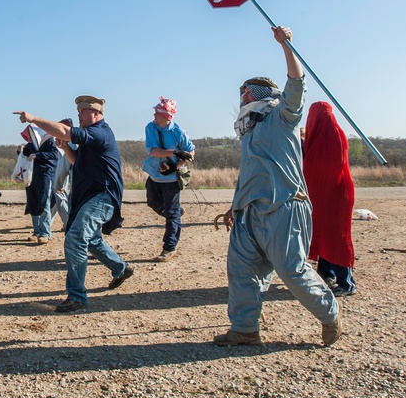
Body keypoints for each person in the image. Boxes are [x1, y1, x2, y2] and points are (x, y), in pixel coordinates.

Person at [215, 26, 341, 347]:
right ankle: (245, 329)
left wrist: (286, 46)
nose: (243, 96)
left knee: (291, 270)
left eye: (249, 91)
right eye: (241, 92)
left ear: (263, 95)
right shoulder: (247, 134)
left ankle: (329, 315)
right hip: (249, 213)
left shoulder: (282, 118)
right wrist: (234, 206)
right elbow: (248, 174)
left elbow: (296, 86)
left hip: (285, 208)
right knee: (240, 270)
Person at [14, 96, 134, 313]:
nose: (79, 115)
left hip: (102, 196)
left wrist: (33, 119)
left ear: (96, 114)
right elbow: (76, 161)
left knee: (76, 237)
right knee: (92, 239)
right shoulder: (91, 137)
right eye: (78, 111)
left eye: (83, 112)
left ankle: (77, 296)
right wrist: (66, 148)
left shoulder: (100, 132)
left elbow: (65, 131)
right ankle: (121, 268)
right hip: (88, 197)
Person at [304, 101, 357, 297]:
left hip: (335, 194)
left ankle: (346, 282)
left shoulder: (334, 134)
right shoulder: (315, 137)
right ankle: (326, 274)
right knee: (322, 233)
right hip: (320, 194)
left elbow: (332, 167)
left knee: (336, 236)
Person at [142, 97, 196, 262]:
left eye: (157, 113)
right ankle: (177, 214)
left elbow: (191, 153)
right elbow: (153, 152)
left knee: (171, 214)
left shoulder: (179, 132)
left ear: (166, 116)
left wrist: (177, 166)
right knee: (153, 203)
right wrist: (174, 152)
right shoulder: (150, 127)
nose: (154, 116)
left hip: (171, 180)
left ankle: (169, 247)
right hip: (155, 176)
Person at [22, 130, 60, 244]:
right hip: (31, 176)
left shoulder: (49, 141)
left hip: (45, 175)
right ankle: (36, 232)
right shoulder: (29, 145)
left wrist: (38, 155)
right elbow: (24, 158)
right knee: (33, 202)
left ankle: (45, 233)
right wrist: (20, 151)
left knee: (44, 202)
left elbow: (54, 155)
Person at [51, 119, 75, 230]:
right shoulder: (84, 139)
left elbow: (63, 168)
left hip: (65, 177)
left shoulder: (68, 144)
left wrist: (58, 185)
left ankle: (68, 223)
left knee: (60, 198)